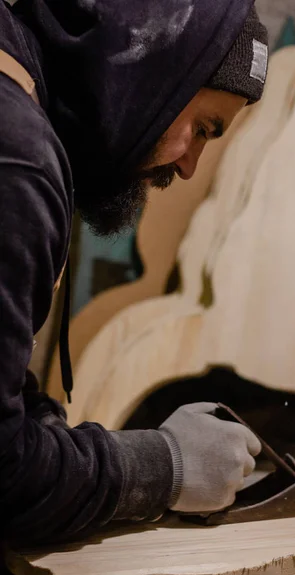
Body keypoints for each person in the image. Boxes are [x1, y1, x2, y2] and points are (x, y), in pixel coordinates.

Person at [0, 0, 269, 544]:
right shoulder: (18, 166)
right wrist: (162, 465)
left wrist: (37, 419)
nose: (190, 166)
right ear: (154, 72)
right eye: (203, 126)